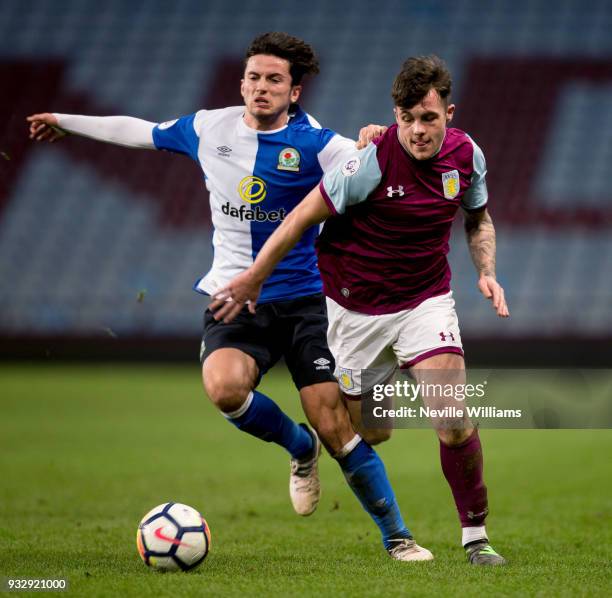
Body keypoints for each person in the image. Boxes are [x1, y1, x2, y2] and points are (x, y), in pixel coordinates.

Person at [27, 33, 433, 561]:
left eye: (274, 80)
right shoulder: (207, 127)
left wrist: (380, 138)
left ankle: (397, 537)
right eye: (254, 78)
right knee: (223, 388)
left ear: (295, 92)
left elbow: (378, 166)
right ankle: (298, 447)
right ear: (241, 82)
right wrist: (64, 118)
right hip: (236, 298)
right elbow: (139, 132)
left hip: (309, 302)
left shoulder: (318, 145)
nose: (261, 88)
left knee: (339, 426)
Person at [210, 55, 510, 566]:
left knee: (452, 417)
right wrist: (255, 275)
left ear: (449, 114)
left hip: (425, 300)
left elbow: (478, 219)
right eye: (407, 118)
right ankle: (371, 393)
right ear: (395, 114)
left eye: (429, 118)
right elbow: (303, 216)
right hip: (354, 312)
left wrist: (486, 270)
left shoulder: (467, 157)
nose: (417, 130)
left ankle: (475, 537)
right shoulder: (366, 162)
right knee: (374, 433)